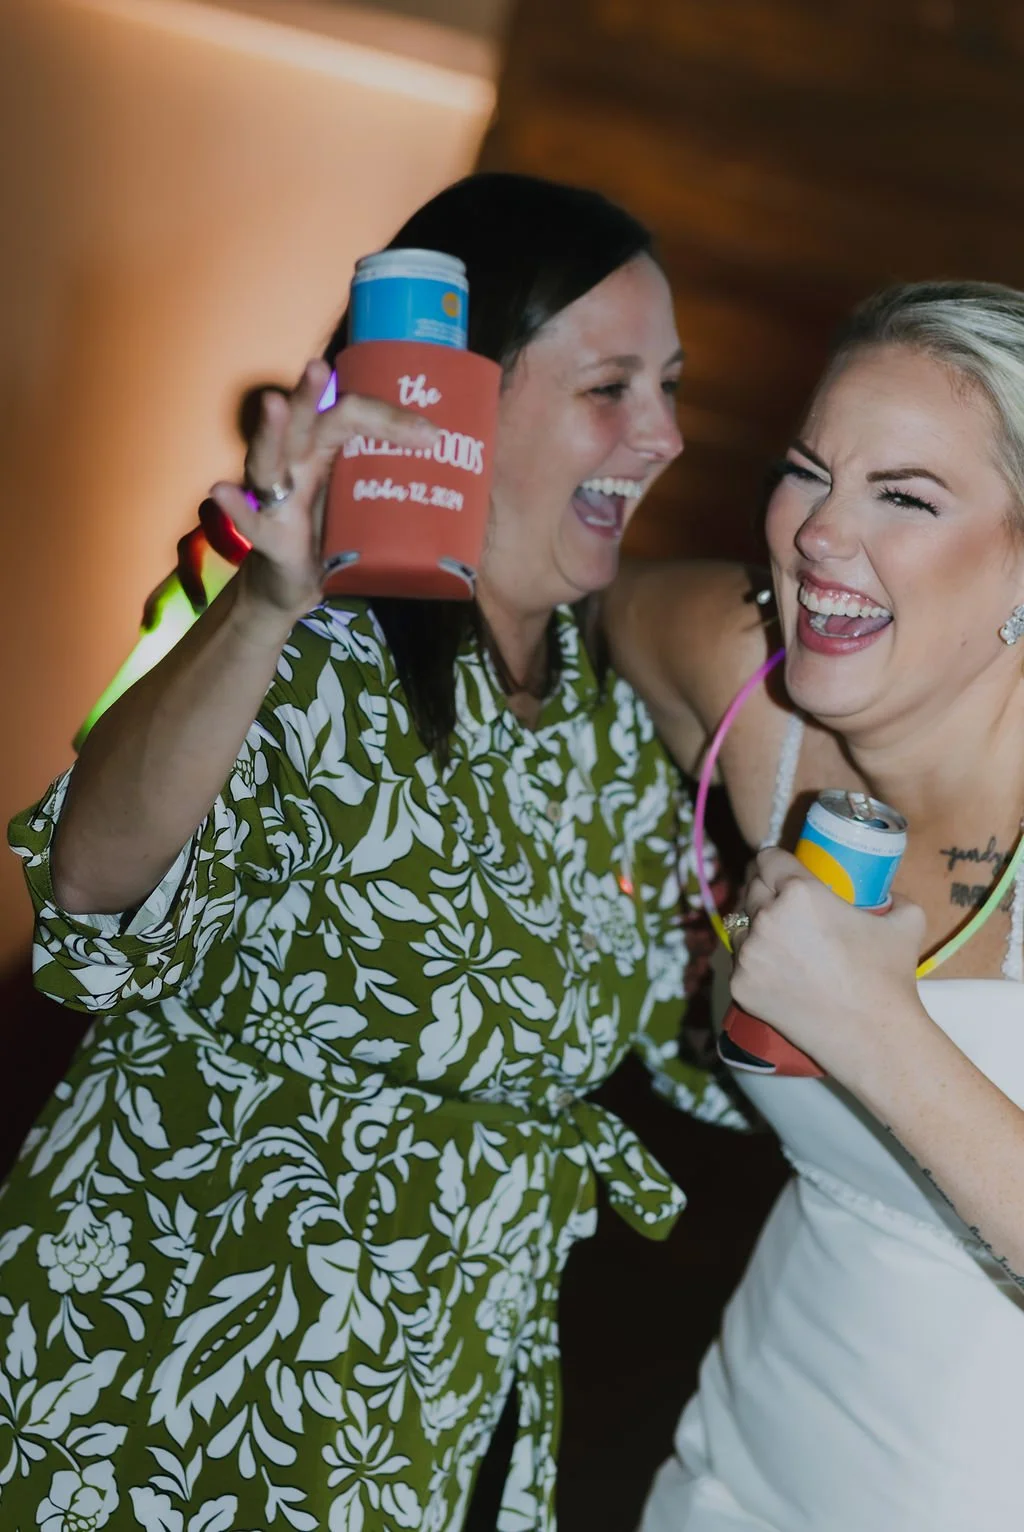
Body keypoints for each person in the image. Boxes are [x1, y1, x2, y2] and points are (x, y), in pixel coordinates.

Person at [3, 173, 743, 1532]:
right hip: (154, 1396)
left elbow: (685, 1028)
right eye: (611, 389)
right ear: (455, 398)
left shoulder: (607, 724)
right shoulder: (309, 649)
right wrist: (266, 601)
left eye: (672, 387)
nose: (665, 435)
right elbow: (93, 885)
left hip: (413, 1428)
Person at [604, 280, 1024, 1532]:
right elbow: (562, 597)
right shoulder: (761, 702)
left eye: (905, 495)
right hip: (725, 1476)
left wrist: (867, 1022)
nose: (819, 533)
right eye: (807, 472)